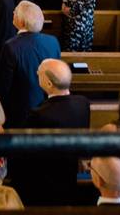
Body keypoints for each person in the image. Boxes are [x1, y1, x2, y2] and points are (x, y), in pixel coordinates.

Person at [18, 59, 91, 206]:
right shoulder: (83, 103)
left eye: (39, 73)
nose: (37, 74)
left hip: (45, 180)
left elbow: (27, 151)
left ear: (49, 84)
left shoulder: (39, 114)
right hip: (70, 174)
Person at [0, 1, 61, 128]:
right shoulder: (53, 42)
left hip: (19, 113)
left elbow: (3, 86)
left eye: (15, 12)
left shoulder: (10, 47)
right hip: (48, 109)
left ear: (21, 22)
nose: (13, 13)